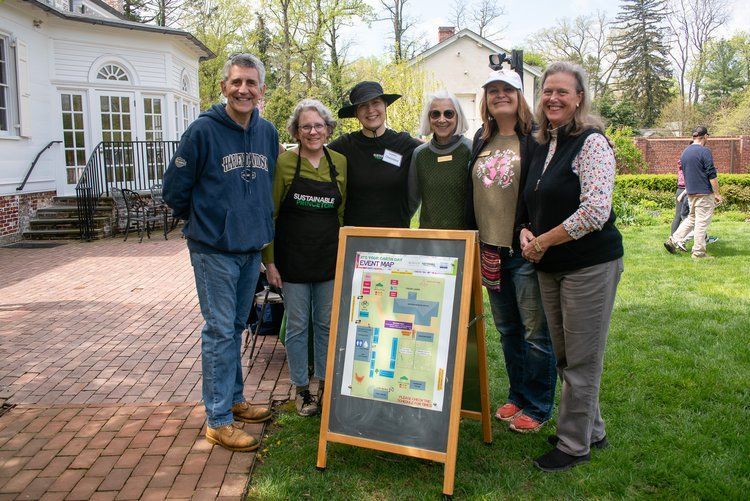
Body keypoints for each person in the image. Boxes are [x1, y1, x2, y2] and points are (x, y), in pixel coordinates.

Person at [163, 53, 275, 452]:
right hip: (214, 249)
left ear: (261, 90)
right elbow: (174, 189)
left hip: (250, 247)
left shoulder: (268, 134)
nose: (243, 89)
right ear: (224, 87)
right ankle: (218, 418)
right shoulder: (202, 132)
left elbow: (265, 186)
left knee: (235, 328)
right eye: (236, 82)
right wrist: (205, 224)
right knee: (218, 330)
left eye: (251, 83)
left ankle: (235, 399)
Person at [519, 61, 623, 472]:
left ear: (579, 98)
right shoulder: (545, 143)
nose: (553, 98)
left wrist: (543, 241)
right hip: (550, 265)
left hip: (588, 266)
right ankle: (591, 430)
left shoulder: (592, 143)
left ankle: (573, 444)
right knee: (566, 355)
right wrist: (528, 230)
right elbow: (536, 200)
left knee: (581, 359)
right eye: (547, 91)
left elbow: (595, 210)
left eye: (563, 91)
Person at [465, 70, 556, 434]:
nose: (500, 96)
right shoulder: (480, 138)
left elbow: (543, 191)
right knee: (507, 329)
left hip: (523, 252)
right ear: (485, 100)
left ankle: (538, 404)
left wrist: (530, 228)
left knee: (535, 332)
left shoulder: (535, 139)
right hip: (489, 249)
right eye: (492, 91)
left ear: (519, 96)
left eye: (507, 90)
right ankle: (517, 395)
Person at [263, 99, 346, 417]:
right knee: (297, 325)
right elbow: (271, 214)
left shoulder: (339, 162)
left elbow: (342, 211)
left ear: (328, 129)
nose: (313, 131)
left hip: (328, 257)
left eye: (318, 125)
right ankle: (302, 390)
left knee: (326, 324)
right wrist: (270, 262)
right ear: (296, 132)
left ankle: (324, 386)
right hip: (292, 259)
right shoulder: (284, 163)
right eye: (306, 126)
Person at [328, 81, 422, 227]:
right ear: (355, 113)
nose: (370, 110)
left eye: (376, 102)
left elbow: (435, 153)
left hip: (395, 238)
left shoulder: (405, 144)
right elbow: (314, 155)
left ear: (385, 106)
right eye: (363, 106)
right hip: (356, 238)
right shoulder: (344, 145)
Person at [407, 90, 471, 229]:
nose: (442, 120)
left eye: (448, 113)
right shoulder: (420, 154)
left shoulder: (470, 150)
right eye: (435, 114)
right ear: (429, 118)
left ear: (458, 117)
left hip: (464, 239)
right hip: (428, 239)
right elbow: (411, 201)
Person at [664, 126, 722, 259]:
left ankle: (673, 240)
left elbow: (686, 174)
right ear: (705, 136)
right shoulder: (704, 151)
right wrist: (717, 193)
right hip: (704, 194)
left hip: (691, 193)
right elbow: (711, 174)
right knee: (701, 223)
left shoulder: (685, 152)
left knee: (691, 219)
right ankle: (698, 252)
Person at [670, 160, 690, 236]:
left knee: (678, 216)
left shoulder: (681, 163)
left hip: (680, 190)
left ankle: (672, 239)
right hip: (687, 190)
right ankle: (676, 239)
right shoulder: (690, 164)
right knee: (690, 217)